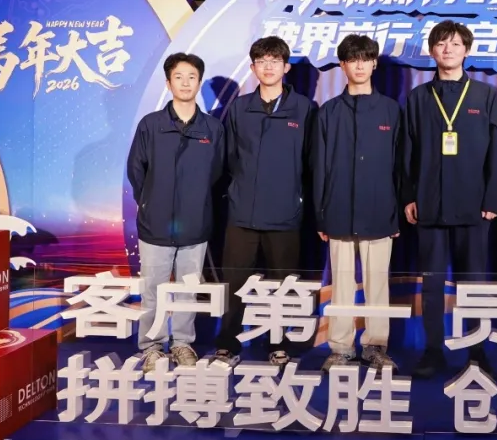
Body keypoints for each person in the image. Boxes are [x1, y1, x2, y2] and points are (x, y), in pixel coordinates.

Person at [402, 20, 497, 378]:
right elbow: (408, 152)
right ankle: (433, 351)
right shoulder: (418, 97)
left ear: (467, 50)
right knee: (431, 284)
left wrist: (493, 198)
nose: (448, 49)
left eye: (456, 44)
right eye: (441, 44)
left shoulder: (485, 95)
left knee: (474, 284)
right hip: (429, 205)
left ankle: (477, 351)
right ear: (432, 51)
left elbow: (496, 151)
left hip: (474, 206)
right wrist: (409, 196)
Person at [213, 36, 317, 368]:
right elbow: (229, 158)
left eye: (275, 61)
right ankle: (228, 343)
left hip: (285, 214)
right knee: (234, 285)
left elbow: (312, 162)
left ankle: (278, 343)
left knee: (283, 286)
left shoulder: (304, 109)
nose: (268, 67)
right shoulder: (239, 108)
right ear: (253, 67)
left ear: (286, 67)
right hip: (242, 214)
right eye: (262, 61)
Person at [127, 53, 225, 372]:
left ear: (199, 82)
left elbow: (218, 173)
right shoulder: (151, 125)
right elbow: (136, 170)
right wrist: (150, 202)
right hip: (155, 225)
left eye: (191, 77)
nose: (185, 83)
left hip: (195, 225)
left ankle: (182, 343)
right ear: (168, 83)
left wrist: (198, 202)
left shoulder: (212, 128)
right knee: (153, 291)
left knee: (186, 290)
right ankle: (151, 347)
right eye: (179, 77)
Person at [314, 34, 402, 372]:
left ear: (375, 63)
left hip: (380, 211)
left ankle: (376, 346)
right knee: (341, 285)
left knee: (378, 284)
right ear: (343, 65)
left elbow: (400, 165)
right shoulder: (329, 111)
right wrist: (321, 215)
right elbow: (319, 166)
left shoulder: (390, 110)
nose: (360, 65)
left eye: (365, 59)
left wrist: (396, 212)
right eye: (353, 59)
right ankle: (340, 347)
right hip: (337, 211)